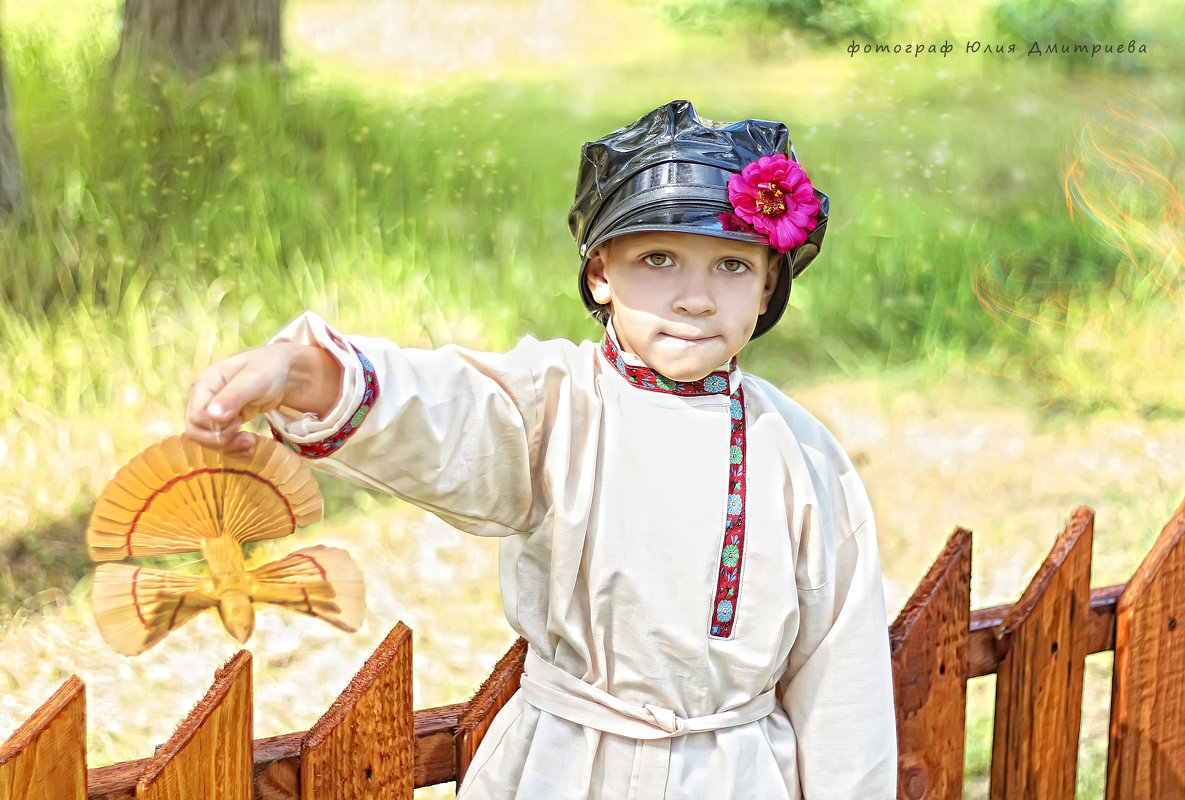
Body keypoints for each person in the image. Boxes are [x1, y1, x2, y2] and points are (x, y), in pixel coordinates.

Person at [185, 99, 898, 799]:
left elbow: (845, 685)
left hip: (735, 776)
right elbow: (447, 410)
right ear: (600, 274)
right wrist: (308, 375)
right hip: (566, 766)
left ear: (770, 280)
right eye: (658, 258)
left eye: (732, 267)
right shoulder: (557, 402)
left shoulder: (804, 457)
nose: (696, 297)